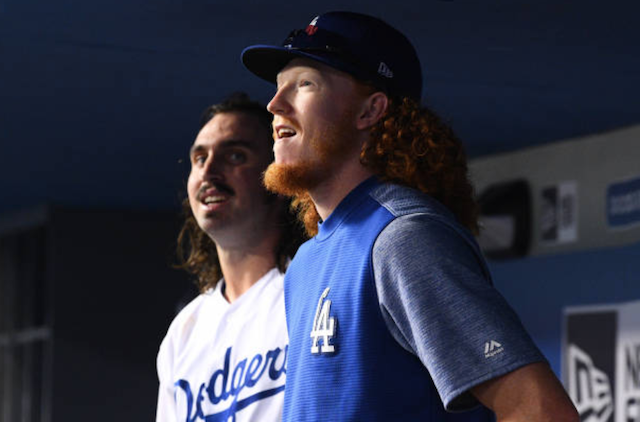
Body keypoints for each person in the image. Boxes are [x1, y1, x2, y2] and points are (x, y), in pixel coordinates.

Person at [241, 11, 579, 421]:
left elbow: (542, 410)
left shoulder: (403, 238)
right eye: (278, 89)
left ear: (370, 111)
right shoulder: (307, 262)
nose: (275, 105)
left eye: (305, 84)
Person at [155, 93, 305, 422]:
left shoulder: (309, 297)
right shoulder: (184, 331)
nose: (209, 171)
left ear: (277, 177)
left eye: (235, 156)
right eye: (199, 158)